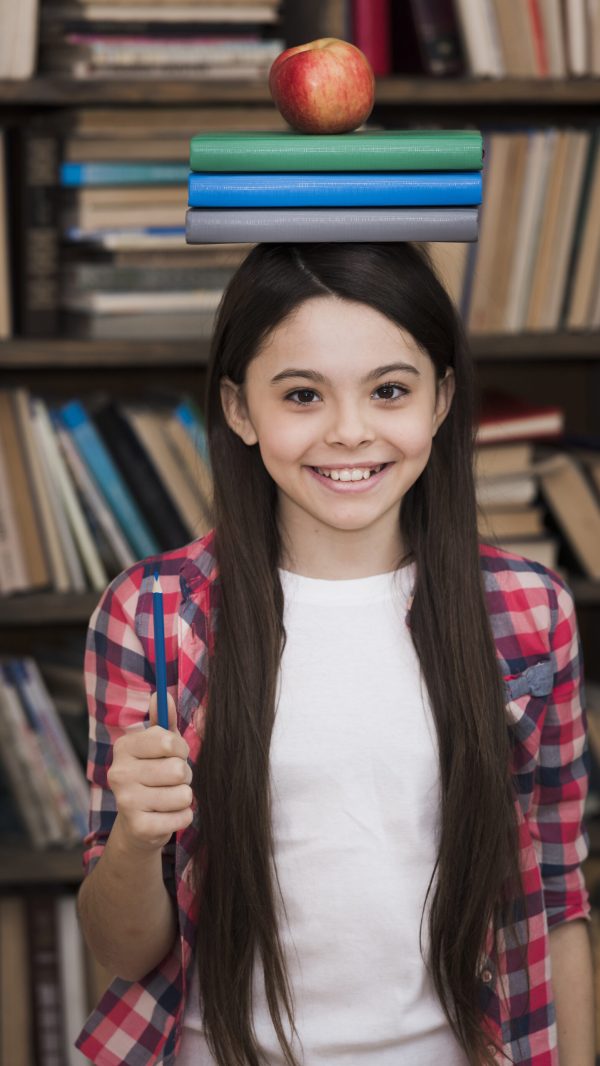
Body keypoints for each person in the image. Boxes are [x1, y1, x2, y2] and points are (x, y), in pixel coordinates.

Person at [75, 242, 594, 1066]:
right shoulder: (151, 615)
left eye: (389, 390)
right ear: (241, 410)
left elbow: (559, 898)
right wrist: (137, 840)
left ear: (441, 400)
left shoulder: (531, 614)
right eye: (303, 395)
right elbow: (122, 950)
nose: (350, 432)